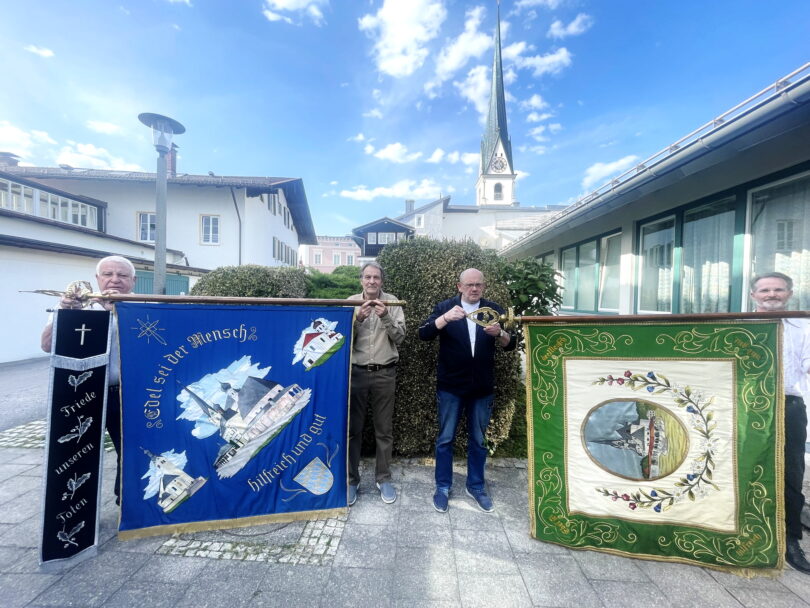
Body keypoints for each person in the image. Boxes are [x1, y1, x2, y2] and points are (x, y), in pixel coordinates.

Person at [41, 255, 136, 505]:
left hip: (126, 393)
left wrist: (119, 312)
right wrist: (64, 313)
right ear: (97, 278)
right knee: (75, 452)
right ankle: (73, 509)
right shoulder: (76, 306)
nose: (114, 280)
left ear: (133, 281)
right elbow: (47, 345)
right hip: (82, 394)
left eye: (122, 275)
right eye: (108, 274)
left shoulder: (142, 307)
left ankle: (126, 503)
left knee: (130, 450)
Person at [418, 268, 515, 513]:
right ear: (459, 286)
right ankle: (442, 487)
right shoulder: (446, 307)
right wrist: (445, 318)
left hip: (482, 387)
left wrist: (500, 333)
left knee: (479, 441)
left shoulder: (493, 310)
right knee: (445, 439)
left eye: (478, 284)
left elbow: (511, 344)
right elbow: (424, 333)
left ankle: (476, 486)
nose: (474, 288)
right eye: (469, 284)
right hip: (450, 386)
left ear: (484, 286)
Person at [750, 271, 810, 574]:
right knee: (743, 468)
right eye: (764, 290)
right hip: (745, 406)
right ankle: (744, 535)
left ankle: (790, 541)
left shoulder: (804, 327)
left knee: (791, 474)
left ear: (789, 293)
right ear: (753, 295)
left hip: (789, 406)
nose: (771, 295)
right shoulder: (738, 326)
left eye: (778, 289)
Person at [347, 262, 405, 505]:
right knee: (352, 430)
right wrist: (357, 320)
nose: (372, 281)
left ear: (382, 281)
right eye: (367, 277)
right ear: (361, 279)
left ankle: (384, 478)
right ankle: (351, 480)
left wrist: (386, 317)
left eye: (376, 277)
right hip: (356, 373)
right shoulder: (349, 303)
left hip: (384, 373)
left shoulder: (393, 303)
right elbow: (339, 339)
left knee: (384, 430)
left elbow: (400, 337)